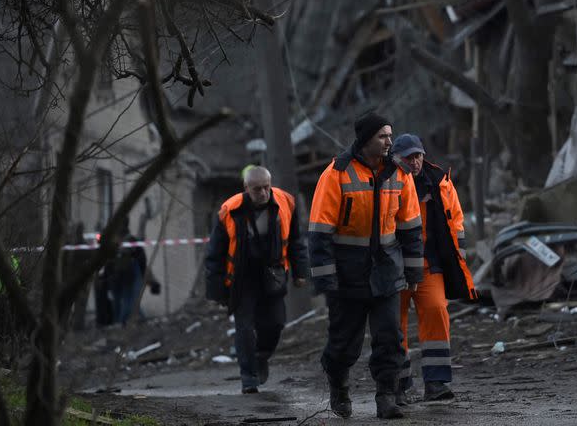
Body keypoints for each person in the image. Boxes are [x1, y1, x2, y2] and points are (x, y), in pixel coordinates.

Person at [308, 112, 423, 419]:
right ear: (366, 139)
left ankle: (386, 396)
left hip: (386, 270)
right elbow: (319, 233)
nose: (389, 141)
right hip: (347, 275)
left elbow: (411, 227)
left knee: (390, 337)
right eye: (383, 136)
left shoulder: (400, 175)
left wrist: (413, 271)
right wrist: (325, 280)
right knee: (344, 343)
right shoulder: (336, 174)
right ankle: (339, 385)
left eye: (390, 135)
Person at [390, 133, 478, 404]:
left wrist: (457, 258)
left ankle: (436, 383)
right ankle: (399, 386)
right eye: (409, 157)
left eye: (418, 156)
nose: (415, 162)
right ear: (396, 159)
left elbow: (457, 220)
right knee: (394, 326)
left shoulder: (439, 181)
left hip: (430, 266)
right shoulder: (386, 183)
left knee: (437, 313)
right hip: (396, 268)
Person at [205, 166, 308, 394]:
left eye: (266, 187)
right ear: (246, 189)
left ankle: (262, 356)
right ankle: (248, 377)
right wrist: (216, 291)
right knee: (244, 328)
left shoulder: (286, 203)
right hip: (242, 277)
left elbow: (296, 240)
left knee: (275, 324)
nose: (262, 193)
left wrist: (301, 272)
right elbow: (214, 254)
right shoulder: (229, 211)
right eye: (256, 189)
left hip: (273, 272)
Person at [111, 217, 161, 325]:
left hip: (129, 275)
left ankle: (127, 321)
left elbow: (142, 264)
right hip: (127, 276)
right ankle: (126, 322)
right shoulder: (124, 240)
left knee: (130, 301)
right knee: (129, 301)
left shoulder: (127, 240)